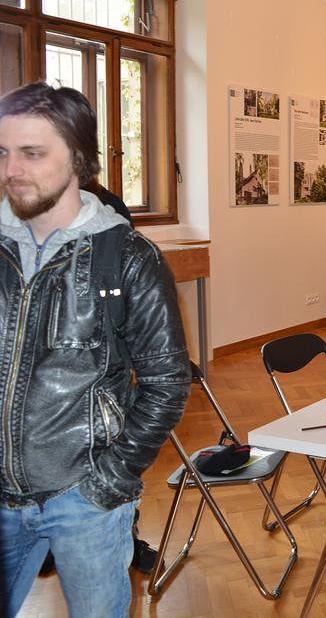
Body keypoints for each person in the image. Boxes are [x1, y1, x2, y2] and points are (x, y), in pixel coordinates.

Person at [0, 82, 191, 617]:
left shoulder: (128, 258)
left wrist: (108, 480)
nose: (13, 169)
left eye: (32, 153)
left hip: (81, 500)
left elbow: (167, 384)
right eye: (3, 152)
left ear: (78, 159)